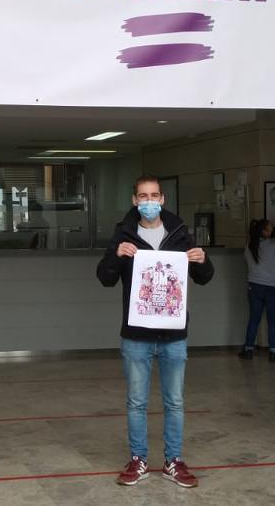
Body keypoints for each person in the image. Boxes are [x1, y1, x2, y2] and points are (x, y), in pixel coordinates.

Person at [96, 175, 214, 489]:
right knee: (136, 402)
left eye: (153, 195)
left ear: (162, 199)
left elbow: (204, 277)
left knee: (174, 401)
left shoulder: (179, 231)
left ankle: (173, 461)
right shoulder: (124, 233)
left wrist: (202, 261)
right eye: (142, 196)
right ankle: (138, 460)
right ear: (135, 200)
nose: (148, 201)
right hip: (136, 334)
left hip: (174, 334)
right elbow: (105, 278)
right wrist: (115, 256)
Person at [239, 219, 275, 361]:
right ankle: (274, 351)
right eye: (270, 228)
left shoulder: (249, 247)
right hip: (273, 288)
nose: (273, 229)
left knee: (254, 319)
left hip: (254, 287)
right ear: (264, 232)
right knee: (272, 320)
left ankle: (248, 349)